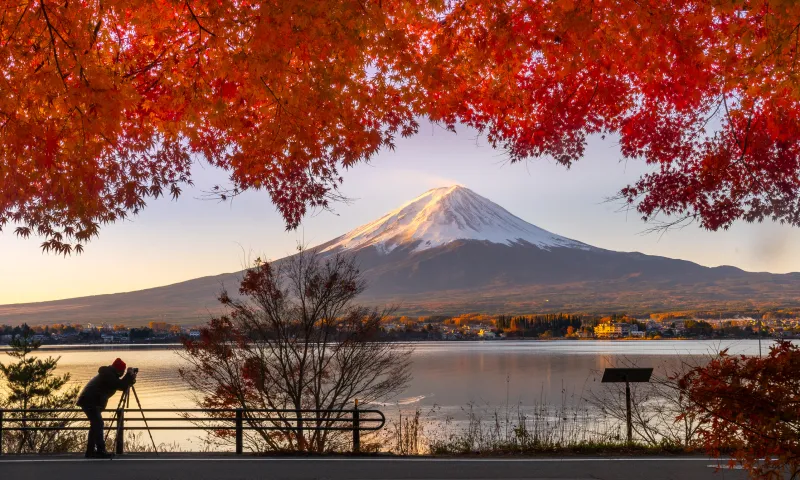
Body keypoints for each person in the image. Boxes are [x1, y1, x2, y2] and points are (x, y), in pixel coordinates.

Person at [76, 358, 137, 458]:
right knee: (98, 424)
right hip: (90, 402)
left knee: (95, 425)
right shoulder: (108, 375)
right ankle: (100, 451)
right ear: (118, 369)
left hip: (90, 402)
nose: (123, 373)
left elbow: (122, 386)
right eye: (123, 371)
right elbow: (119, 384)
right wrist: (128, 376)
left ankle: (90, 451)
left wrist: (130, 379)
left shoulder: (109, 374)